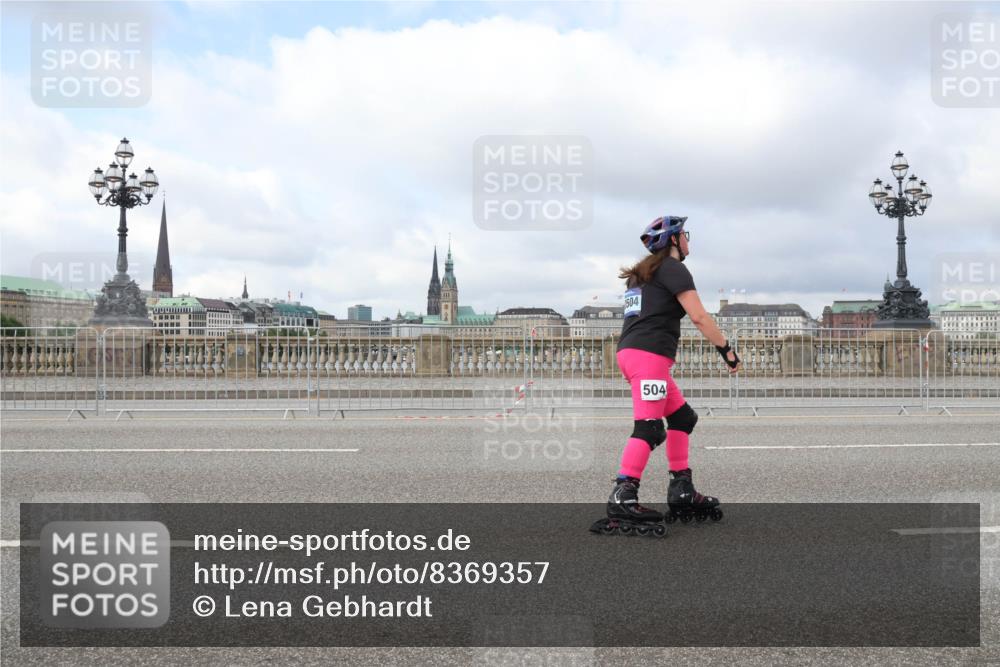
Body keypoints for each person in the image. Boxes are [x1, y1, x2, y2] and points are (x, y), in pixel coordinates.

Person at [606, 215, 740, 528]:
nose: (689, 241)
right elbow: (699, 317)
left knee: (682, 418)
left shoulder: (641, 274)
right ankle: (623, 495)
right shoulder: (672, 268)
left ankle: (681, 490)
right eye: (685, 235)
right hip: (648, 357)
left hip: (634, 353)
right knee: (650, 428)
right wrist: (727, 351)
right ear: (674, 240)